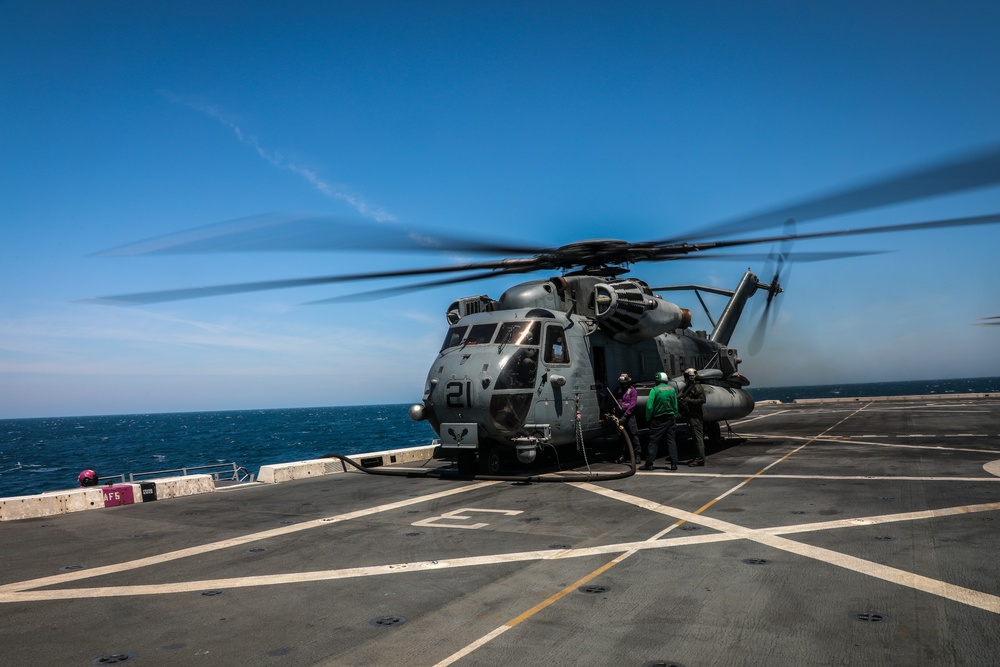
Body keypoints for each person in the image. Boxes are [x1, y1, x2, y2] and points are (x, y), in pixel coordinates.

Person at [644, 371, 679, 470]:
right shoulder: (672, 390)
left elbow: (649, 406)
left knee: (654, 441)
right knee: (671, 440)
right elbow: (675, 404)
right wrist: (675, 415)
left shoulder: (654, 390)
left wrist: (648, 418)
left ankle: (649, 463)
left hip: (658, 419)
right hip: (671, 418)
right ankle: (674, 464)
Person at [681, 368, 707, 466]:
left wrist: (689, 400)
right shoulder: (690, 387)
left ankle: (700, 459)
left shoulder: (697, 387)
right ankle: (698, 457)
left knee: (698, 438)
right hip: (691, 415)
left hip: (695, 416)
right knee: (695, 438)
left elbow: (702, 400)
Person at [614, 373, 642, 463]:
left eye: (624, 383)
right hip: (619, 415)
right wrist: (614, 413)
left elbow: (632, 405)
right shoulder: (617, 391)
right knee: (621, 436)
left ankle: (637, 455)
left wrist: (625, 415)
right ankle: (623, 455)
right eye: (621, 383)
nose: (623, 384)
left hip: (629, 416)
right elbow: (615, 403)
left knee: (633, 434)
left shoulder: (632, 391)